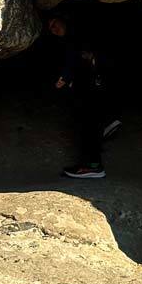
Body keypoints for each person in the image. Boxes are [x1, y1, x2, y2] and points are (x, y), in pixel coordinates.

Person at [47, 15, 115, 179]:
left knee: (88, 126)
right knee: (88, 125)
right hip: (90, 89)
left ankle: (93, 166)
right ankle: (104, 129)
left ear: (64, 20)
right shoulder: (71, 40)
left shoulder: (76, 38)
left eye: (55, 24)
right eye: (50, 29)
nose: (54, 29)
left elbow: (77, 58)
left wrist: (65, 78)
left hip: (92, 89)